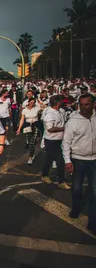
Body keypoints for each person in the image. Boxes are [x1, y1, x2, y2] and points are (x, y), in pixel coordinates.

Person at [62, 94, 96, 234]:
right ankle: (76, 207)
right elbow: (66, 142)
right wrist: (68, 160)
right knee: (76, 188)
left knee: (94, 191)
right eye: (81, 104)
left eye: (86, 104)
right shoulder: (73, 121)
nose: (83, 107)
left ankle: (93, 223)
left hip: (94, 160)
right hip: (78, 160)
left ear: (93, 104)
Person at [41, 95, 70, 190]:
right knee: (60, 161)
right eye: (61, 101)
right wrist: (64, 128)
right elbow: (50, 129)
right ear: (58, 103)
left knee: (49, 160)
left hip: (59, 140)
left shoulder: (60, 112)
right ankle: (61, 181)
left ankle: (44, 175)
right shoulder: (50, 114)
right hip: (51, 141)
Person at [17, 98, 41, 165]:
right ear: (28, 102)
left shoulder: (37, 108)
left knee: (33, 141)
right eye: (31, 102)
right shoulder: (24, 110)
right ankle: (31, 154)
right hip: (27, 126)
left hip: (35, 125)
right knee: (30, 142)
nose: (32, 104)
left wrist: (40, 103)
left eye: (33, 102)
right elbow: (22, 119)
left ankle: (31, 156)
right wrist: (19, 129)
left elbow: (46, 108)